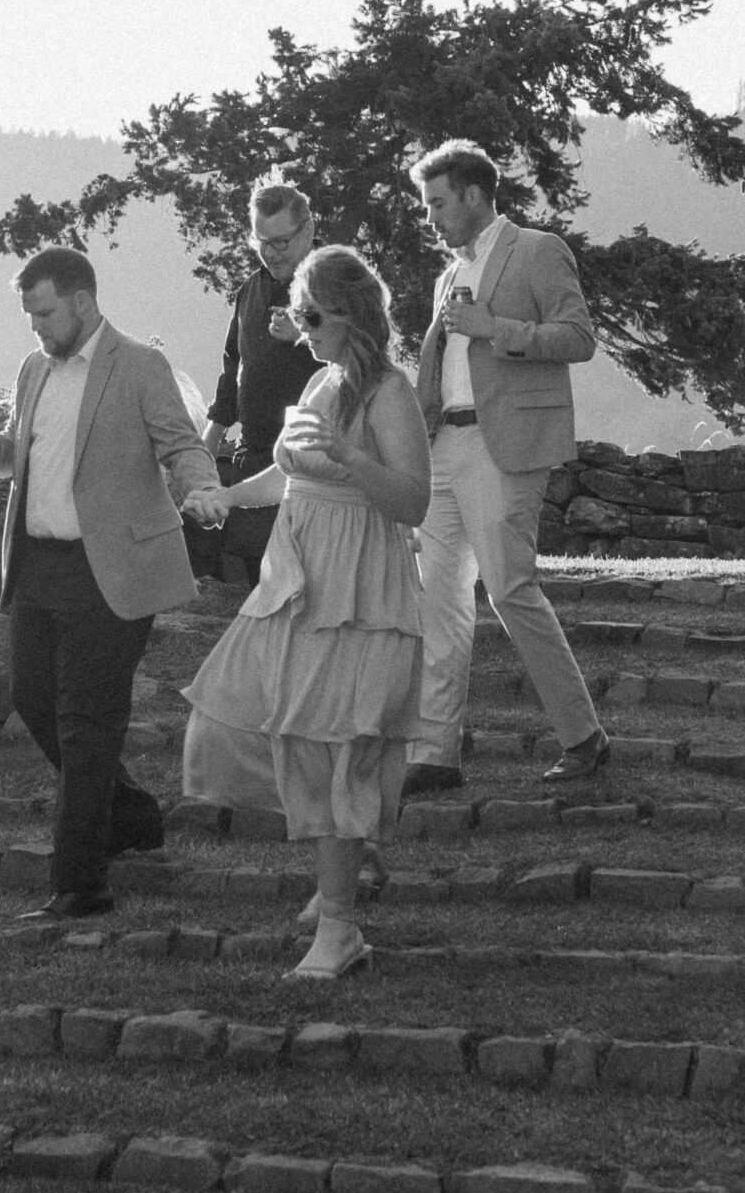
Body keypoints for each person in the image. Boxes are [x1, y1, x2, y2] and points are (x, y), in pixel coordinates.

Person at [0, 247, 222, 920]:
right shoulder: (33, 367)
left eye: (42, 312)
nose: (35, 326)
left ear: (80, 301)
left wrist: (202, 486)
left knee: (85, 725)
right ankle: (129, 816)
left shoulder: (140, 365)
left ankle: (80, 885)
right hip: (38, 566)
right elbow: (23, 450)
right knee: (33, 700)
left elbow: (179, 444)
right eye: (28, 315)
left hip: (110, 571)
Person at [180, 244, 431, 980]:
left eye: (311, 313)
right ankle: (345, 863)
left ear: (350, 311)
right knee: (228, 714)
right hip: (296, 575)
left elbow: (412, 500)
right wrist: (226, 496)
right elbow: (288, 475)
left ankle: (340, 922)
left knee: (328, 745)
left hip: (359, 581)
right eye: (296, 312)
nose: (301, 326)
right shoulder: (321, 382)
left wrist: (353, 460)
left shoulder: (387, 390)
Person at [403, 139, 609, 797]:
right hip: (443, 448)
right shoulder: (443, 275)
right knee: (436, 598)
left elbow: (578, 337)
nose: (429, 217)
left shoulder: (537, 250)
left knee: (510, 590)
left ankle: (583, 737)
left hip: (506, 446)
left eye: (436, 203)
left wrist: (496, 327)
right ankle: (434, 753)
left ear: (470, 194)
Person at [197, 178, 322, 587]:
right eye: (260, 241)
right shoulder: (250, 290)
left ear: (307, 230)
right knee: (259, 585)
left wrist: (304, 337)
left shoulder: (334, 281)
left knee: (309, 586)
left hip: (315, 462)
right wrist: (210, 441)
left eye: (280, 242)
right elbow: (232, 367)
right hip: (254, 456)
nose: (269, 252)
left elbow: (365, 350)